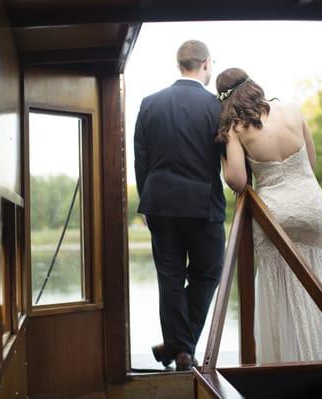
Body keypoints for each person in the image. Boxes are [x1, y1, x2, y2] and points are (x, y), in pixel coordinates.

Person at [217, 67, 322, 363]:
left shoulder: (235, 129)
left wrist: (225, 158)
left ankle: (289, 370)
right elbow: (311, 163)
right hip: (313, 210)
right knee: (321, 285)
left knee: (280, 295)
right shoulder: (292, 109)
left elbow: (238, 181)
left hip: (274, 216)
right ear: (254, 86)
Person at [134, 40, 226, 371]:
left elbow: (140, 159)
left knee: (169, 278)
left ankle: (178, 346)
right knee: (210, 271)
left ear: (179, 64)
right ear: (205, 63)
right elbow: (227, 160)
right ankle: (182, 346)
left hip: (159, 202)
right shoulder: (217, 107)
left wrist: (147, 202)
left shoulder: (149, 104)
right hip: (203, 205)